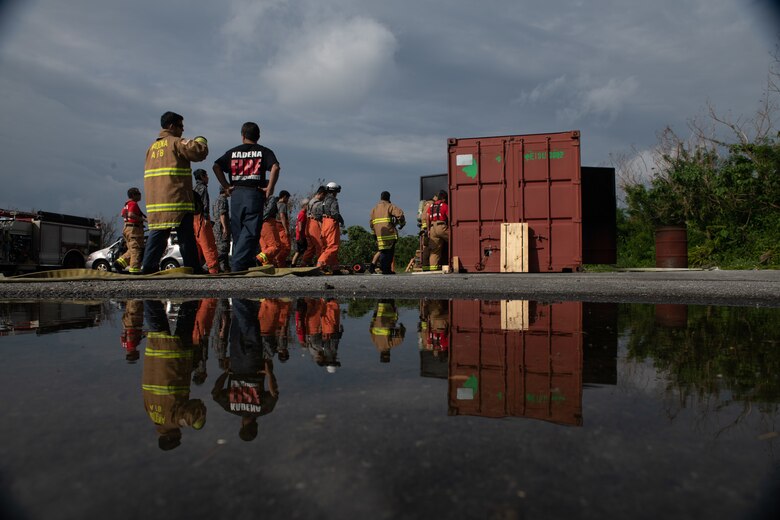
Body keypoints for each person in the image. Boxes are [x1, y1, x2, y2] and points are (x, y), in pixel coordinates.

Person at [141, 111, 208, 274]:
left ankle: (148, 267)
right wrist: (201, 140)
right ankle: (193, 267)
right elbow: (198, 152)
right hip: (176, 199)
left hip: (156, 202)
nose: (183, 130)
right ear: (171, 126)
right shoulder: (176, 143)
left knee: (157, 235)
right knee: (186, 236)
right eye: (180, 126)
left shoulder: (151, 148)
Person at [212, 122, 280, 272]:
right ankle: (238, 265)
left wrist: (226, 186)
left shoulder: (233, 152)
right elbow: (275, 166)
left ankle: (244, 263)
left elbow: (216, 166)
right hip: (253, 194)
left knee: (238, 230)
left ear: (242, 136)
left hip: (236, 194)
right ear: (258, 136)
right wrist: (270, 187)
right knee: (251, 230)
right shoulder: (263, 151)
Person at [142, 299, 206, 450]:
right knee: (155, 316)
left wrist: (197, 423)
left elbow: (194, 412)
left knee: (186, 318)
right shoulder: (151, 414)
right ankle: (147, 287)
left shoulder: (174, 420)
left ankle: (192, 290)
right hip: (156, 354)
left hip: (175, 361)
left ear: (172, 436)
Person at [211, 298, 279, 442]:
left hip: (254, 365)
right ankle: (243, 299)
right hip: (236, 365)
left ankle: (240, 297)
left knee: (251, 330)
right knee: (238, 329)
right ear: (241, 425)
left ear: (256, 426)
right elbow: (215, 394)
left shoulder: (263, 410)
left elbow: (274, 393)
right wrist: (226, 373)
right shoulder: (232, 408)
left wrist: (269, 373)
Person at [369, 191, 406, 275]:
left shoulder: (374, 209)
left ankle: (380, 268)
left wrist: (374, 233)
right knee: (388, 252)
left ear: (381, 198)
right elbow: (400, 215)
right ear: (389, 198)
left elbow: (371, 223)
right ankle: (386, 269)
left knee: (382, 250)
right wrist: (402, 224)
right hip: (389, 233)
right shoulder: (390, 206)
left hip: (379, 234)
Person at [193, 169, 219, 274]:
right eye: (206, 175)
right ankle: (213, 269)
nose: (208, 178)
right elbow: (205, 204)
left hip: (193, 219)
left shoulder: (193, 188)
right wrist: (206, 217)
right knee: (208, 244)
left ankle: (197, 268)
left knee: (197, 246)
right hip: (201, 218)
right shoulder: (203, 188)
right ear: (202, 176)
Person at [115, 187, 146, 274]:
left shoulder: (127, 204)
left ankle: (119, 263)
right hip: (134, 229)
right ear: (133, 195)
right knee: (137, 249)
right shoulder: (133, 204)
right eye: (138, 194)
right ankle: (134, 271)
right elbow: (131, 214)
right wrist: (143, 220)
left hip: (127, 228)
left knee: (131, 250)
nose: (140, 195)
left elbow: (123, 214)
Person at [317, 182, 344, 269]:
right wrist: (341, 220)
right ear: (334, 191)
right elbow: (334, 213)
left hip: (324, 223)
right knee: (333, 246)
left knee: (327, 245)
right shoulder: (333, 201)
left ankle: (335, 267)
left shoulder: (323, 201)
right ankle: (320, 264)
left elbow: (318, 214)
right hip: (331, 222)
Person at [426, 190, 449, 271]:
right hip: (441, 226)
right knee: (454, 241)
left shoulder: (431, 206)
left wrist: (428, 230)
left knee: (434, 250)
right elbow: (449, 217)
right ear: (443, 198)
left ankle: (433, 269)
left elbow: (427, 218)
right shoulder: (444, 205)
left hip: (432, 228)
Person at [301, 187, 325, 266]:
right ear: (321, 194)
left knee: (311, 247)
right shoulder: (318, 203)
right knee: (320, 245)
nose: (324, 198)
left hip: (308, 224)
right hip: (314, 224)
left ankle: (303, 263)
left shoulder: (311, 201)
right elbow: (319, 218)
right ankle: (321, 265)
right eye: (324, 195)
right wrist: (322, 229)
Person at [256, 193, 281, 266]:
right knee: (275, 247)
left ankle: (266, 265)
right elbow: (269, 210)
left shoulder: (256, 197)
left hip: (259, 224)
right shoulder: (271, 198)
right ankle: (258, 259)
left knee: (265, 248)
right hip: (268, 222)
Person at [213, 186, 231, 273]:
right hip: (221, 228)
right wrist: (224, 228)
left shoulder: (216, 200)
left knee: (222, 249)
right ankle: (210, 265)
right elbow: (222, 214)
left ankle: (224, 268)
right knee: (223, 249)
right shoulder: (223, 200)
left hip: (216, 227)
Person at [275, 190, 292, 267]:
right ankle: (277, 260)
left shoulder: (275, 204)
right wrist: (286, 229)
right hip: (281, 227)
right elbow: (282, 216)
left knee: (280, 246)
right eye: (287, 198)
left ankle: (280, 264)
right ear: (284, 197)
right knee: (286, 247)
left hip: (275, 226)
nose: (288, 200)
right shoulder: (282, 205)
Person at [290, 198, 309, 267]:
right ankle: (294, 264)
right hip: (301, 236)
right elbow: (300, 226)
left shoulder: (302, 214)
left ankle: (294, 264)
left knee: (301, 251)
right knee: (299, 251)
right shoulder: (302, 214)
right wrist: (301, 237)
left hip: (301, 235)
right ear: (305, 205)